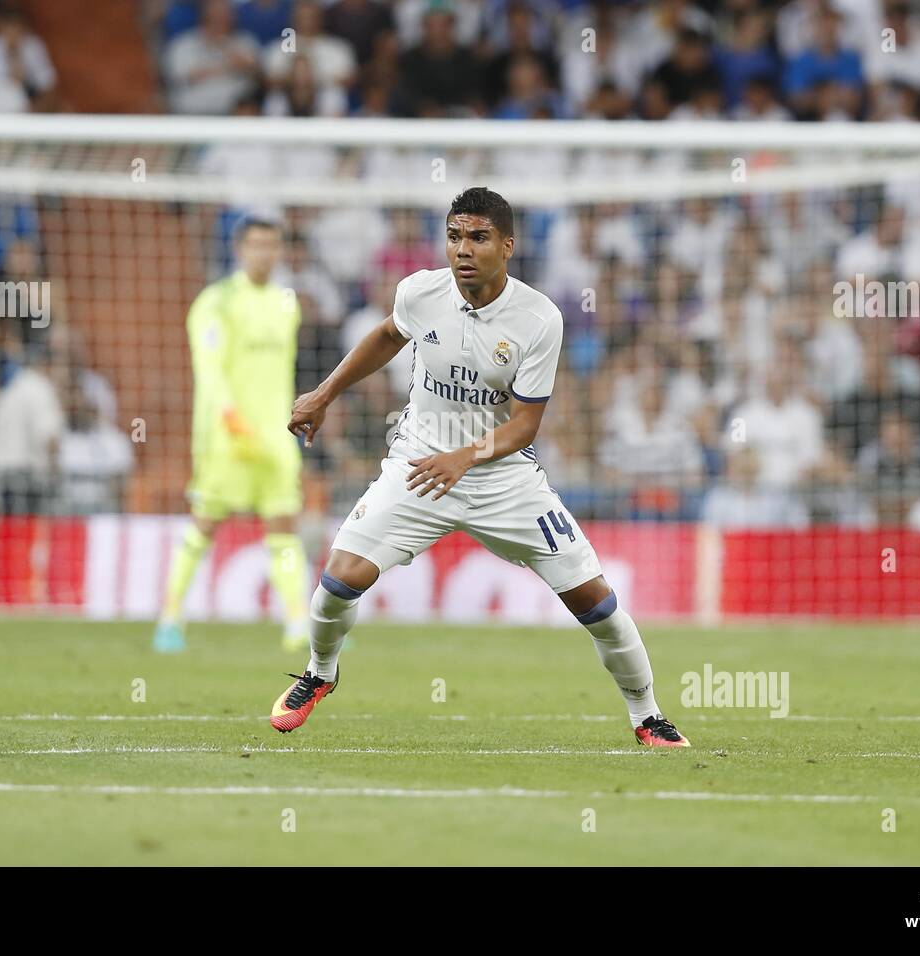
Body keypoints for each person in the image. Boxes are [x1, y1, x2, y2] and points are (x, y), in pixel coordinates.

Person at [273, 187, 690, 749]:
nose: (462, 250)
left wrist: (464, 458)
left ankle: (648, 715)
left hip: (501, 477)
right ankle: (320, 674)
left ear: (507, 245)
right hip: (420, 463)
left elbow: (525, 426)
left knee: (597, 603)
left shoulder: (539, 318)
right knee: (337, 581)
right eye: (453, 236)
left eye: (477, 237)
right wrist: (324, 394)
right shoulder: (420, 293)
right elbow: (385, 336)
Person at [153, 219, 310, 654]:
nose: (265, 254)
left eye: (272, 246)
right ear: (239, 249)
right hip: (226, 436)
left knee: (283, 526)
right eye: (257, 245)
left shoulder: (286, 303)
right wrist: (228, 414)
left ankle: (298, 623)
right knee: (205, 522)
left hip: (275, 435)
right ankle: (170, 618)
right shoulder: (215, 302)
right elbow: (209, 368)